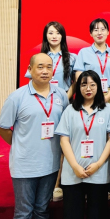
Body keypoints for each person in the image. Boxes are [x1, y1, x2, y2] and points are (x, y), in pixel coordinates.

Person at [0, 53, 69, 219]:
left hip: (51, 165)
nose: (45, 71)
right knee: (23, 212)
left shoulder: (61, 95)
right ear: (29, 69)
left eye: (49, 67)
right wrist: (21, 144)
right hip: (25, 166)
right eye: (40, 67)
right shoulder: (17, 97)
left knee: (42, 210)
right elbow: (3, 128)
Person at [55, 71, 110, 219]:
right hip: (73, 173)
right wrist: (75, 166)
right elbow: (64, 140)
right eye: (83, 84)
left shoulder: (108, 110)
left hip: (98, 173)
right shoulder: (70, 110)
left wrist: (98, 164)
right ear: (78, 88)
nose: (88, 88)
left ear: (99, 87)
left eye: (92, 85)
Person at [24, 21, 77, 202]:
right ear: (45, 36)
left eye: (58, 33)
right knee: (45, 141)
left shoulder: (72, 58)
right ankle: (40, 180)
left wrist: (63, 98)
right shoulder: (39, 58)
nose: (54, 36)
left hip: (64, 103)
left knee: (62, 142)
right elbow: (31, 81)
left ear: (63, 36)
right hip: (43, 105)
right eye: (50, 33)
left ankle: (57, 184)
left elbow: (75, 82)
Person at [75, 18, 110, 112]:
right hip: (89, 92)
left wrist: (108, 97)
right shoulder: (84, 52)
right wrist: (88, 90)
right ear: (91, 33)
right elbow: (78, 76)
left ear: (108, 32)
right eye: (96, 30)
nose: (99, 33)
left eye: (103, 29)